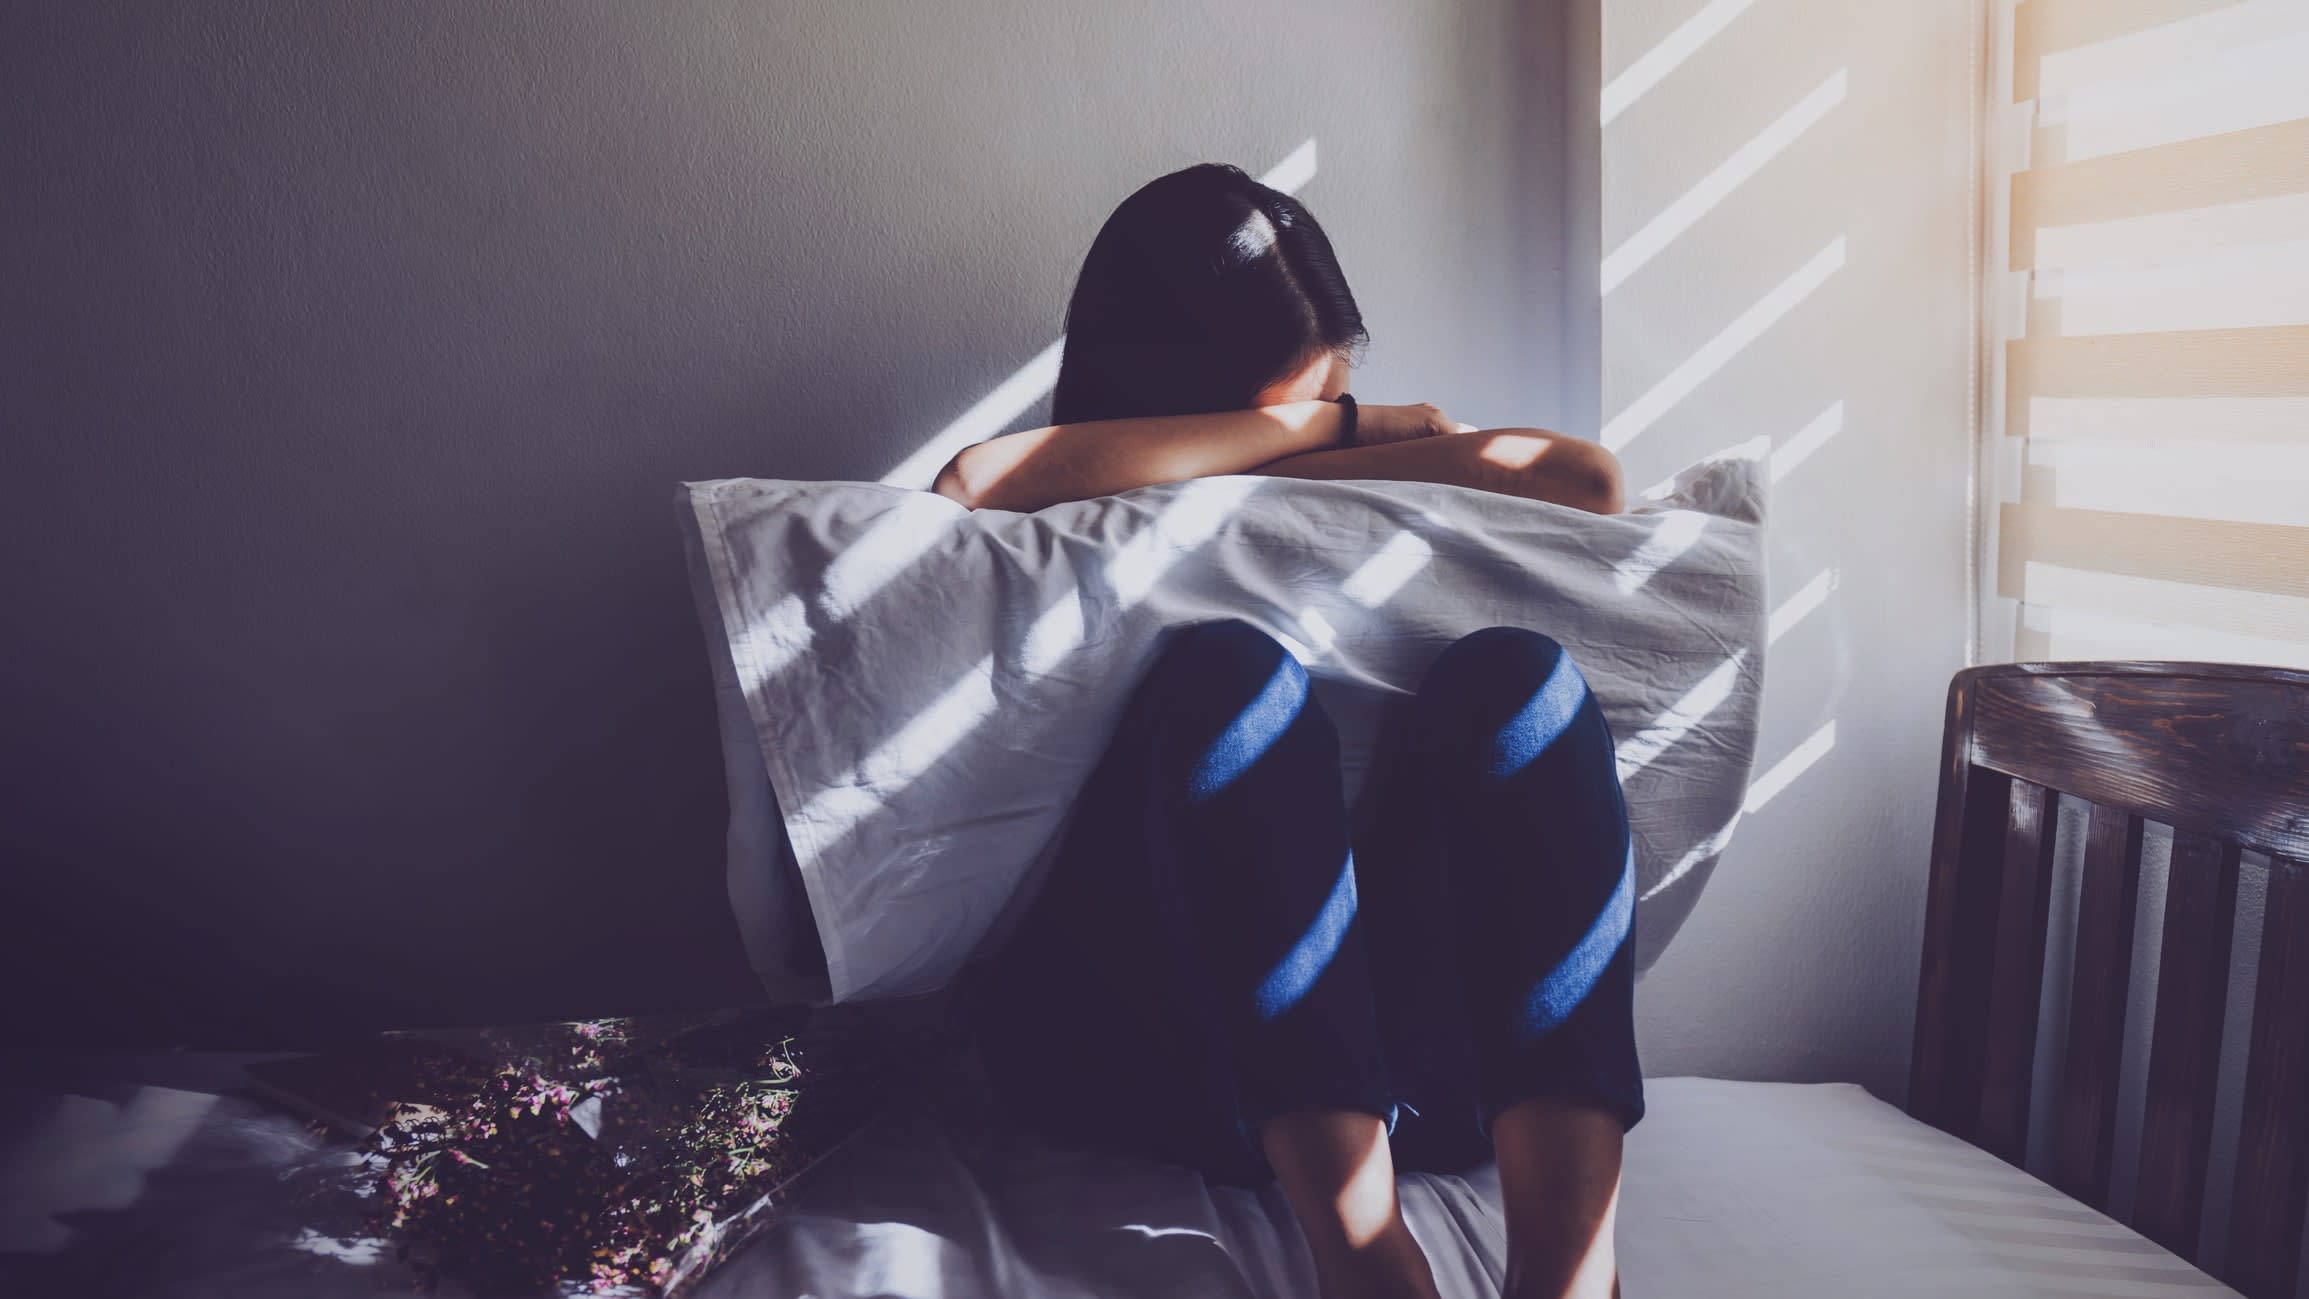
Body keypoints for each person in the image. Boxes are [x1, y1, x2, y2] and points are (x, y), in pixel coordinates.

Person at [933, 163, 1639, 1299]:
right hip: (1155, 1048)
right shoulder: (1073, 499)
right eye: (1291, 419)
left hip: (1403, 1063)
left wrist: (1345, 441)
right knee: (1233, 681)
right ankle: (1366, 1264)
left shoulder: (1375, 467)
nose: (1318, 444)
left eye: (1331, 400)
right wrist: (1321, 430)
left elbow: (1584, 478)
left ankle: (1569, 1275)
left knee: (1522, 683)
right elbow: (975, 479)